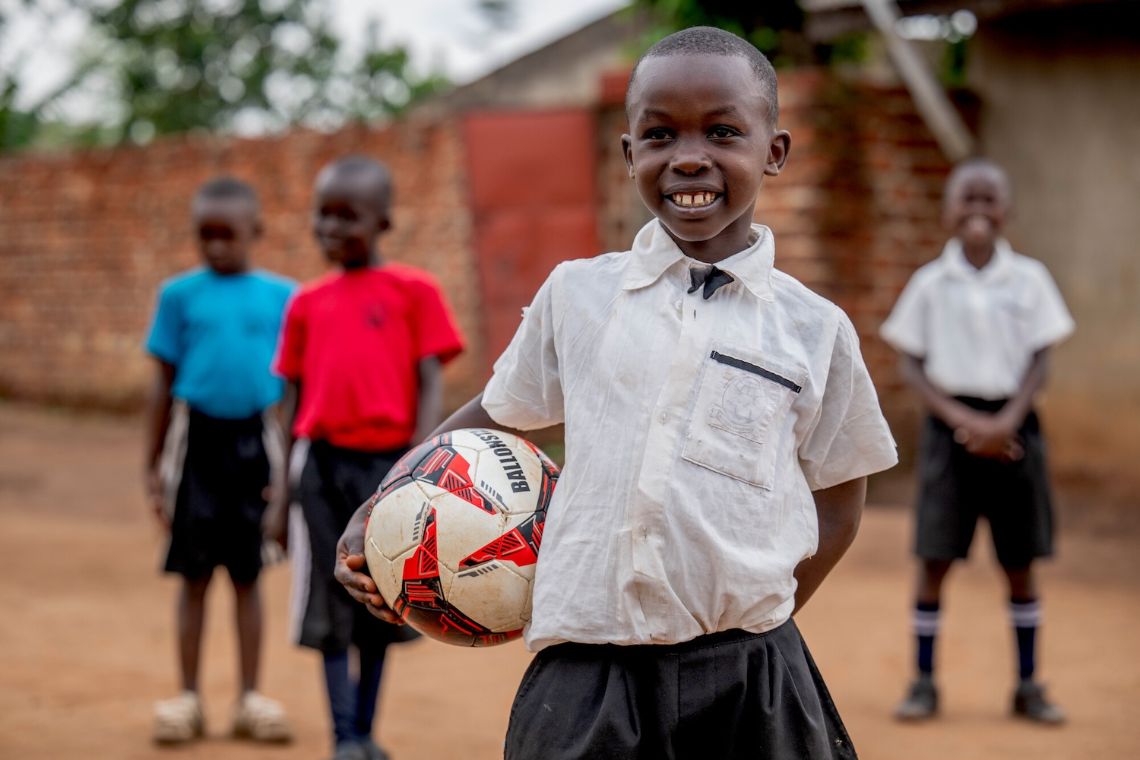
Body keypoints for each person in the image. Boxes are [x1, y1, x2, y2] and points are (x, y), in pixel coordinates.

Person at [334, 27, 898, 760]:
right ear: (630, 155)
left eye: (723, 131)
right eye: (659, 135)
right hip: (587, 672)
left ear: (775, 151)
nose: (689, 156)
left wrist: (759, 608)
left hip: (751, 676)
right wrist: (384, 503)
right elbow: (497, 418)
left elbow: (840, 500)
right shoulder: (579, 295)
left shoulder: (815, 330)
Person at [265, 155, 465, 760]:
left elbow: (429, 378)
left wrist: (419, 463)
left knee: (382, 600)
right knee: (331, 598)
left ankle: (366, 733)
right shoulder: (305, 302)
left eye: (347, 217)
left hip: (388, 469)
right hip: (321, 469)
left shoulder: (415, 290)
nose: (331, 229)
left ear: (383, 222)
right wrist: (280, 492)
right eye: (322, 216)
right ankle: (343, 736)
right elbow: (289, 399)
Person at [881, 158, 1074, 724]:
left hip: (1015, 431)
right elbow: (912, 365)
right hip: (950, 432)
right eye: (967, 199)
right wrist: (964, 422)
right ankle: (923, 682)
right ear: (947, 211)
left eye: (990, 200)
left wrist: (1005, 420)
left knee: (1020, 561)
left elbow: (1041, 360)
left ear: (1007, 211)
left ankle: (1028, 685)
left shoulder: (1030, 279)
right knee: (934, 558)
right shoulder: (930, 283)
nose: (978, 211)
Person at [143, 176, 295, 744]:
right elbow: (160, 384)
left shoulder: (284, 296)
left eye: (226, 234)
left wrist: (287, 477)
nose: (215, 246)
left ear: (254, 231)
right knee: (193, 574)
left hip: (258, 443)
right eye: (204, 235)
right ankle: (187, 699)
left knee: (249, 575)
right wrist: (152, 467)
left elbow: (293, 392)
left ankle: (251, 698)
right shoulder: (178, 296)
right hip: (195, 445)